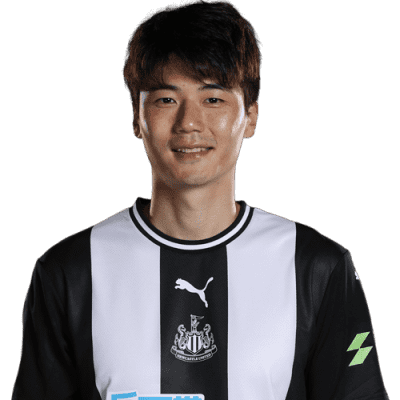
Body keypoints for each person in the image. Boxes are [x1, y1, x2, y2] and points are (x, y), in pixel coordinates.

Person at [12, 0, 390, 399]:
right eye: (166, 99)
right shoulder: (70, 272)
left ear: (250, 116)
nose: (189, 123)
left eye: (213, 99)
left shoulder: (316, 268)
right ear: (137, 117)